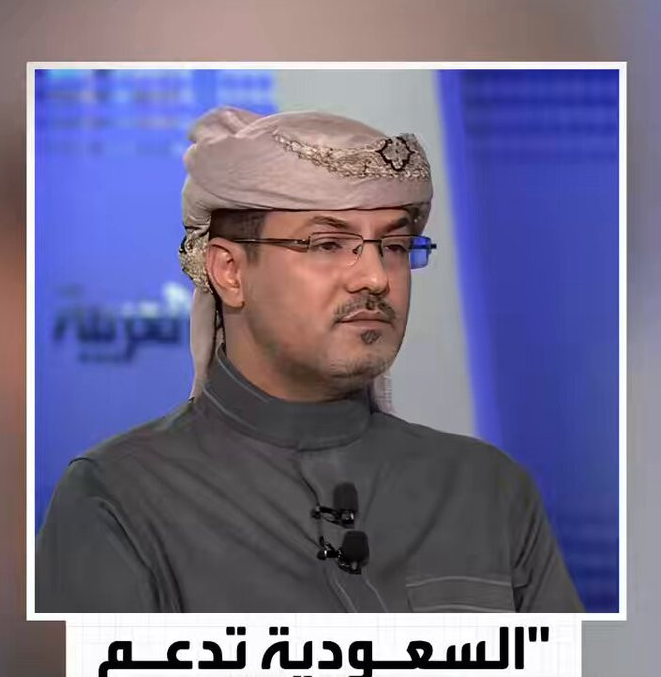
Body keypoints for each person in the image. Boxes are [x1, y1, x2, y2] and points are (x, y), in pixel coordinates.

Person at [36, 105, 582, 613]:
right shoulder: (120, 497)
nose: (375, 278)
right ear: (230, 272)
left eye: (393, 247)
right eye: (326, 245)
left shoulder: (487, 491)